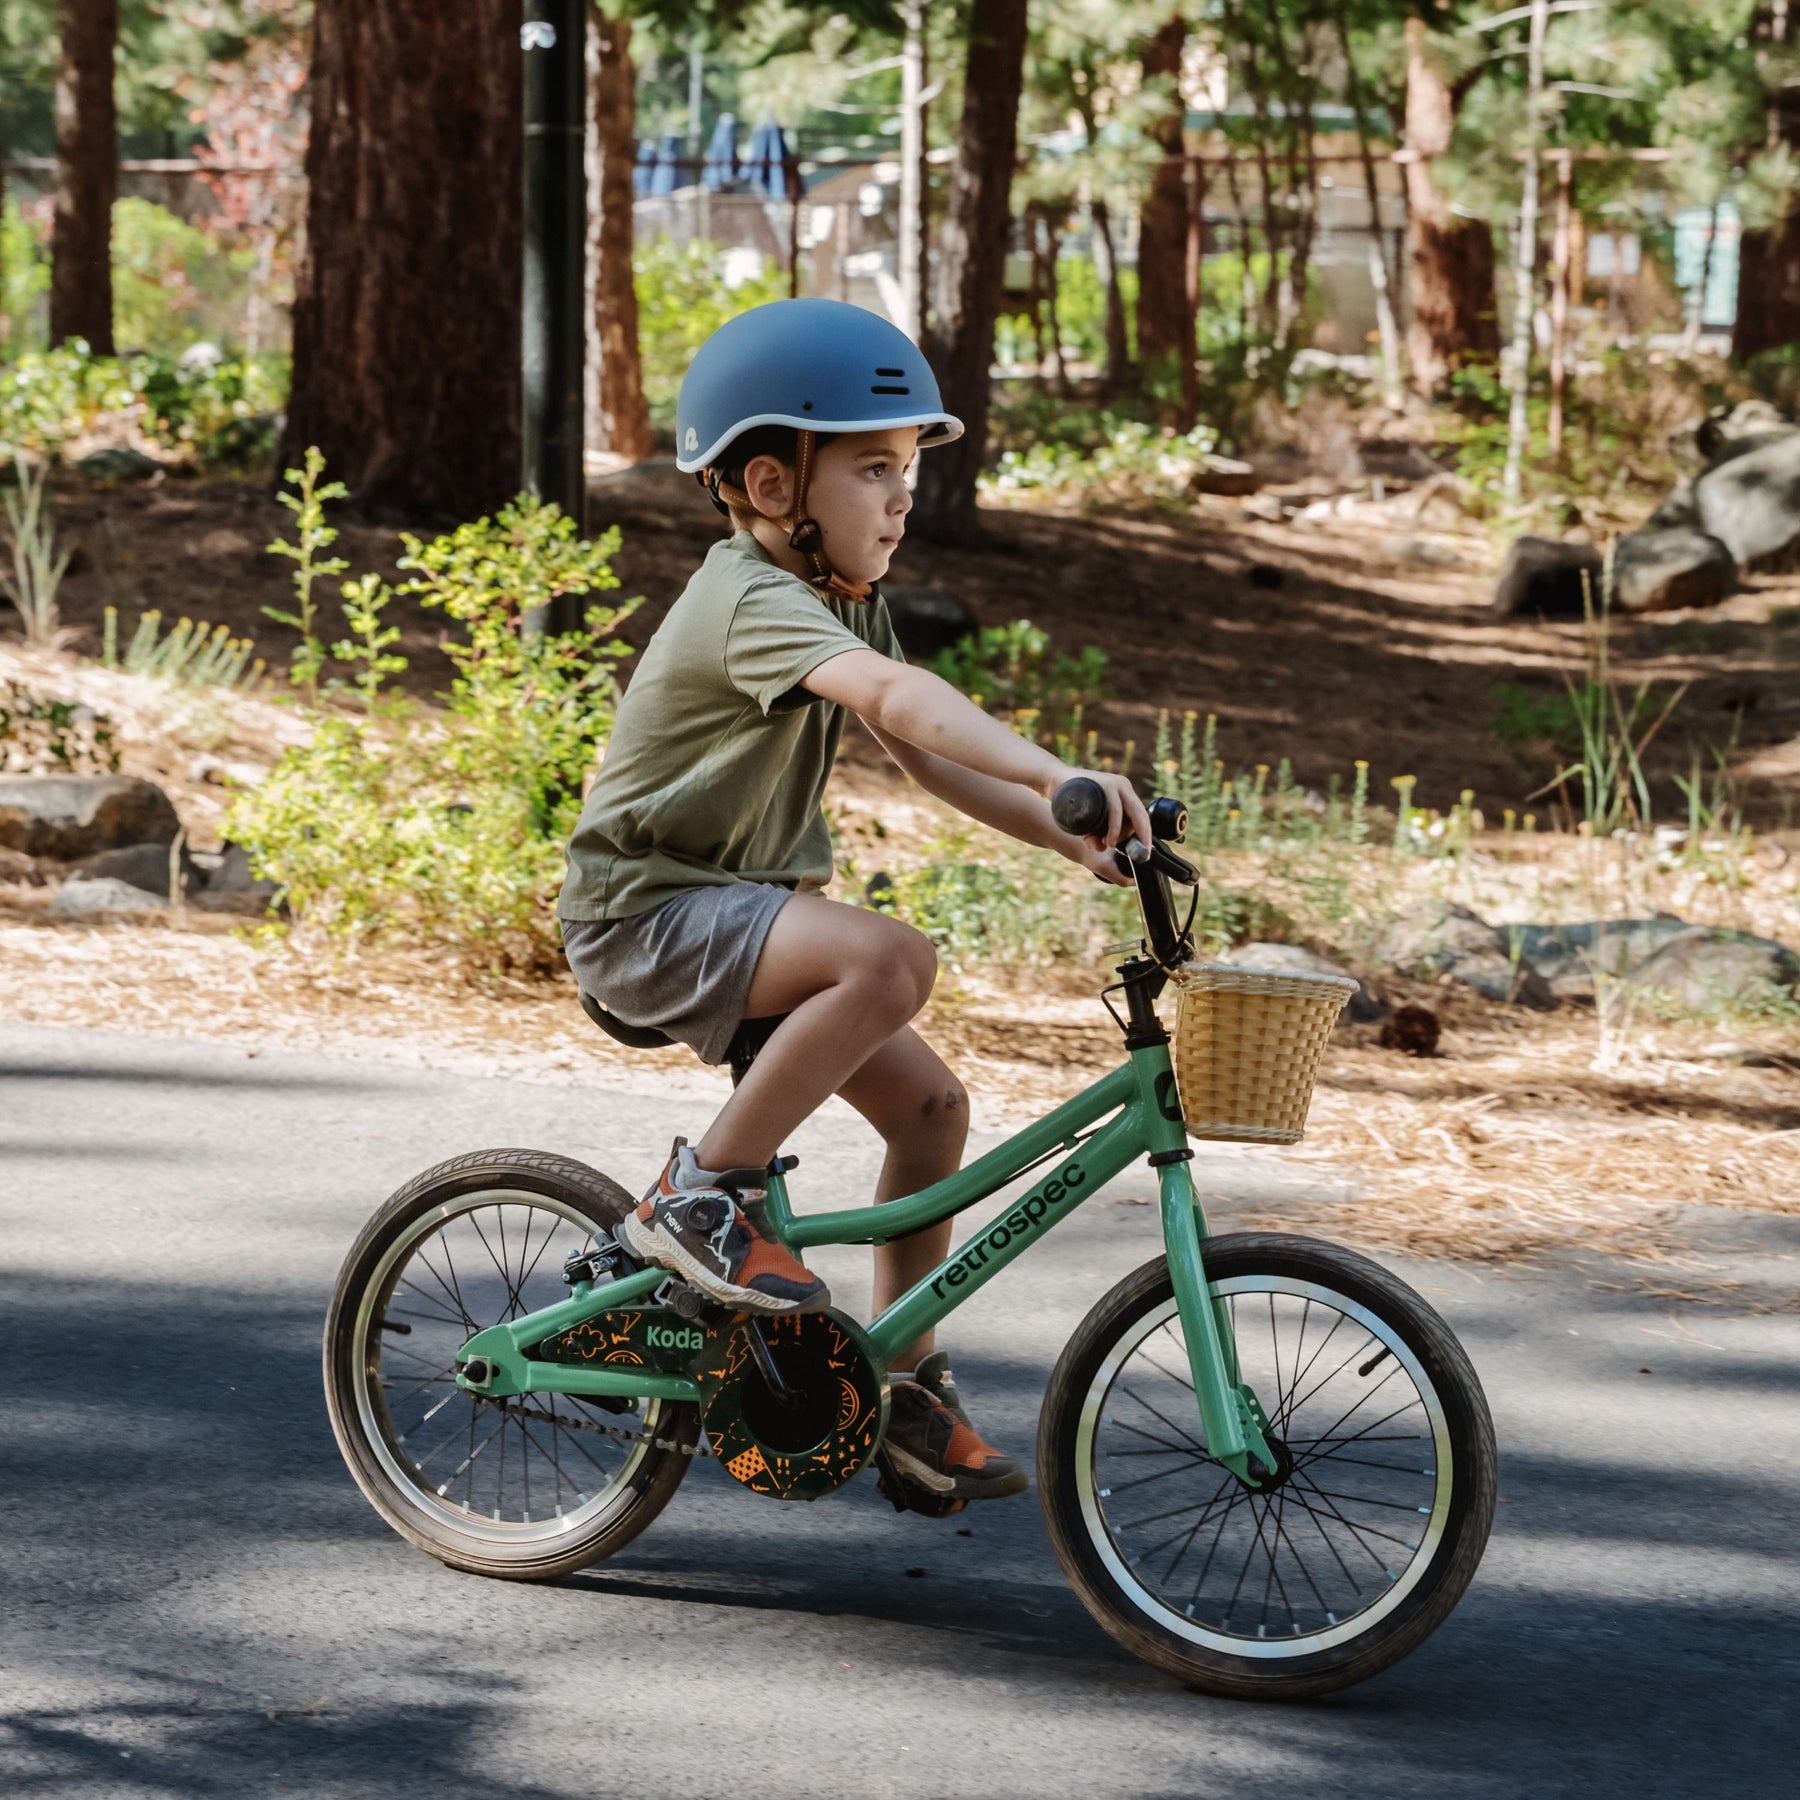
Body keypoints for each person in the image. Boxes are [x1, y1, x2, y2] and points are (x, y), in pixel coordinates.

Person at [558, 298, 1147, 1507]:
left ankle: (906, 1381)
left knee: (932, 1108)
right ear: (773, 485)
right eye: (874, 468)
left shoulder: (837, 596)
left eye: (909, 469)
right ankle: (699, 1196)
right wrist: (1058, 769)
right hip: (646, 915)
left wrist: (1074, 833)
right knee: (889, 959)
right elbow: (899, 696)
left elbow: (926, 757)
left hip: (735, 917)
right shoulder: (749, 594)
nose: (903, 497)